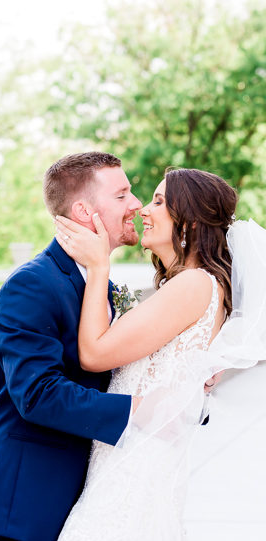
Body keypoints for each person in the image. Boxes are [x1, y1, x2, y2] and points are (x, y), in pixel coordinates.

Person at [0, 152, 142, 540]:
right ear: (83, 211)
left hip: (82, 504)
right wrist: (137, 411)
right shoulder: (32, 284)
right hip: (22, 511)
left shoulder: (101, 286)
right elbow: (39, 394)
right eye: (122, 194)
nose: (136, 205)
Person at [55, 168, 266, 540]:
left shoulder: (193, 284)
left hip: (135, 470)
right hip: (134, 460)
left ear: (189, 221)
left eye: (158, 201)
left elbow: (93, 354)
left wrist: (99, 266)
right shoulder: (196, 284)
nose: (143, 211)